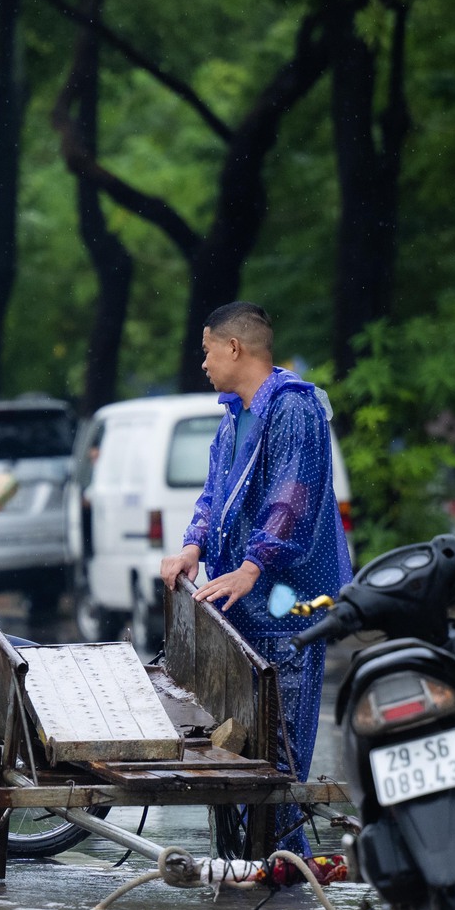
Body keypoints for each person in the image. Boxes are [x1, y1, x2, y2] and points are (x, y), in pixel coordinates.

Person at [158, 302, 352, 880]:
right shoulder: (232, 416)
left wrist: (252, 564)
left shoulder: (294, 410)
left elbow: (292, 497)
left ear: (235, 349)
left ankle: (283, 858)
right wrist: (194, 545)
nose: (203, 362)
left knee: (281, 738)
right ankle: (258, 858)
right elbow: (212, 497)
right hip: (241, 604)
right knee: (242, 738)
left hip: (286, 602)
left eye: (208, 348)